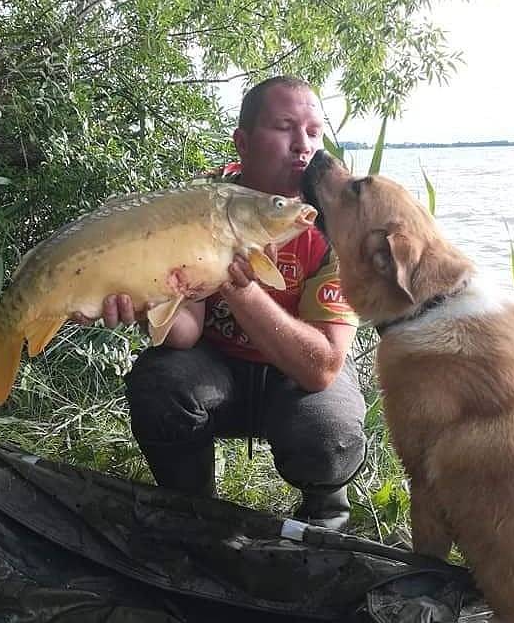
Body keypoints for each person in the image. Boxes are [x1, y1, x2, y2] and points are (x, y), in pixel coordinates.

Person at [76, 76, 366, 531]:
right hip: (216, 367)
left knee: (328, 428)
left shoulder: (335, 225)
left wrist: (238, 285)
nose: (302, 145)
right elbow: (185, 331)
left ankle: (324, 515)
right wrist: (139, 302)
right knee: (158, 385)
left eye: (313, 131)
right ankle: (193, 514)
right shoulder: (197, 206)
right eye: (285, 127)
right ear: (243, 143)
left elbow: (322, 366)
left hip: (296, 378)